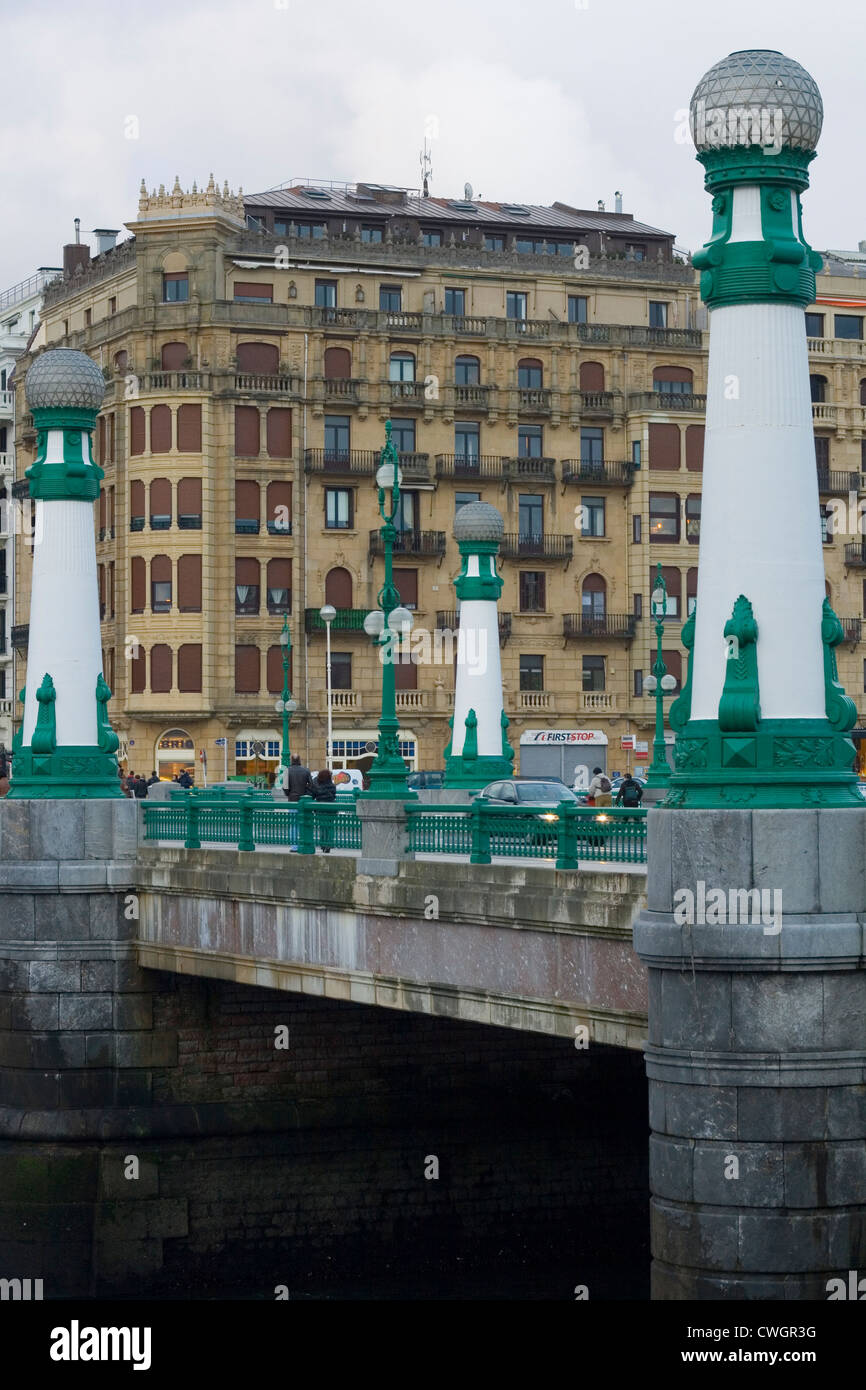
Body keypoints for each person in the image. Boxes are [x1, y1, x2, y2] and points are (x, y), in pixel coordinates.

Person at [311, 767, 336, 852]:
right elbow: (333, 795)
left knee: (323, 827)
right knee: (330, 826)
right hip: (331, 808)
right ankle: (329, 844)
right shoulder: (332, 785)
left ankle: (323, 844)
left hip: (320, 808)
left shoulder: (317, 785)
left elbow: (312, 795)